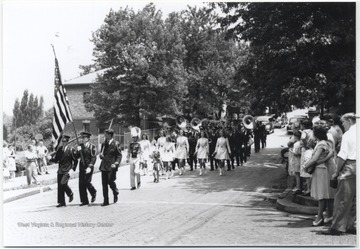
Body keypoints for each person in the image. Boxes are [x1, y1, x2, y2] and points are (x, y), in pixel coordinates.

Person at [321, 113, 357, 235]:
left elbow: (342, 155)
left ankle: (337, 227)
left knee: (342, 198)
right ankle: (351, 225)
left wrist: (336, 172)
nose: (342, 125)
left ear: (349, 121)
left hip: (351, 165)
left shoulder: (348, 135)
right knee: (355, 199)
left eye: (343, 122)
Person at [304, 126, 334, 226]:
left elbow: (315, 159)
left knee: (321, 195)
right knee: (323, 195)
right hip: (320, 169)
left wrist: (306, 166)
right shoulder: (322, 143)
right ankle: (324, 215)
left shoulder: (321, 144)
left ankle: (320, 217)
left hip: (320, 170)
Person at [52, 135, 77, 207]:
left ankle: (70, 193)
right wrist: (51, 158)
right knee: (60, 186)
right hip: (60, 169)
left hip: (67, 170)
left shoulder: (71, 150)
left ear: (68, 142)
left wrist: (73, 169)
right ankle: (62, 202)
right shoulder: (60, 149)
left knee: (63, 184)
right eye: (63, 142)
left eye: (65, 142)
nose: (63, 143)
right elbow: (56, 159)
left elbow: (75, 161)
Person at [99, 129, 122, 206]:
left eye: (106, 134)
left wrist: (116, 163)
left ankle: (115, 191)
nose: (104, 136)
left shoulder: (116, 144)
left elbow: (119, 155)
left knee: (110, 181)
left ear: (110, 135)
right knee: (104, 184)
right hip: (104, 166)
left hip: (112, 166)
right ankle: (106, 201)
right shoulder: (104, 144)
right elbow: (102, 153)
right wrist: (101, 156)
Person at [75, 132, 97, 206]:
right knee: (81, 183)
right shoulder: (80, 146)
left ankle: (93, 192)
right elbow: (77, 156)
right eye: (82, 138)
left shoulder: (92, 146)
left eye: (84, 138)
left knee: (87, 182)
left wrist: (90, 166)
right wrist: (77, 151)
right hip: (82, 166)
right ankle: (84, 200)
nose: (83, 139)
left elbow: (93, 157)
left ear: (88, 138)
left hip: (88, 166)